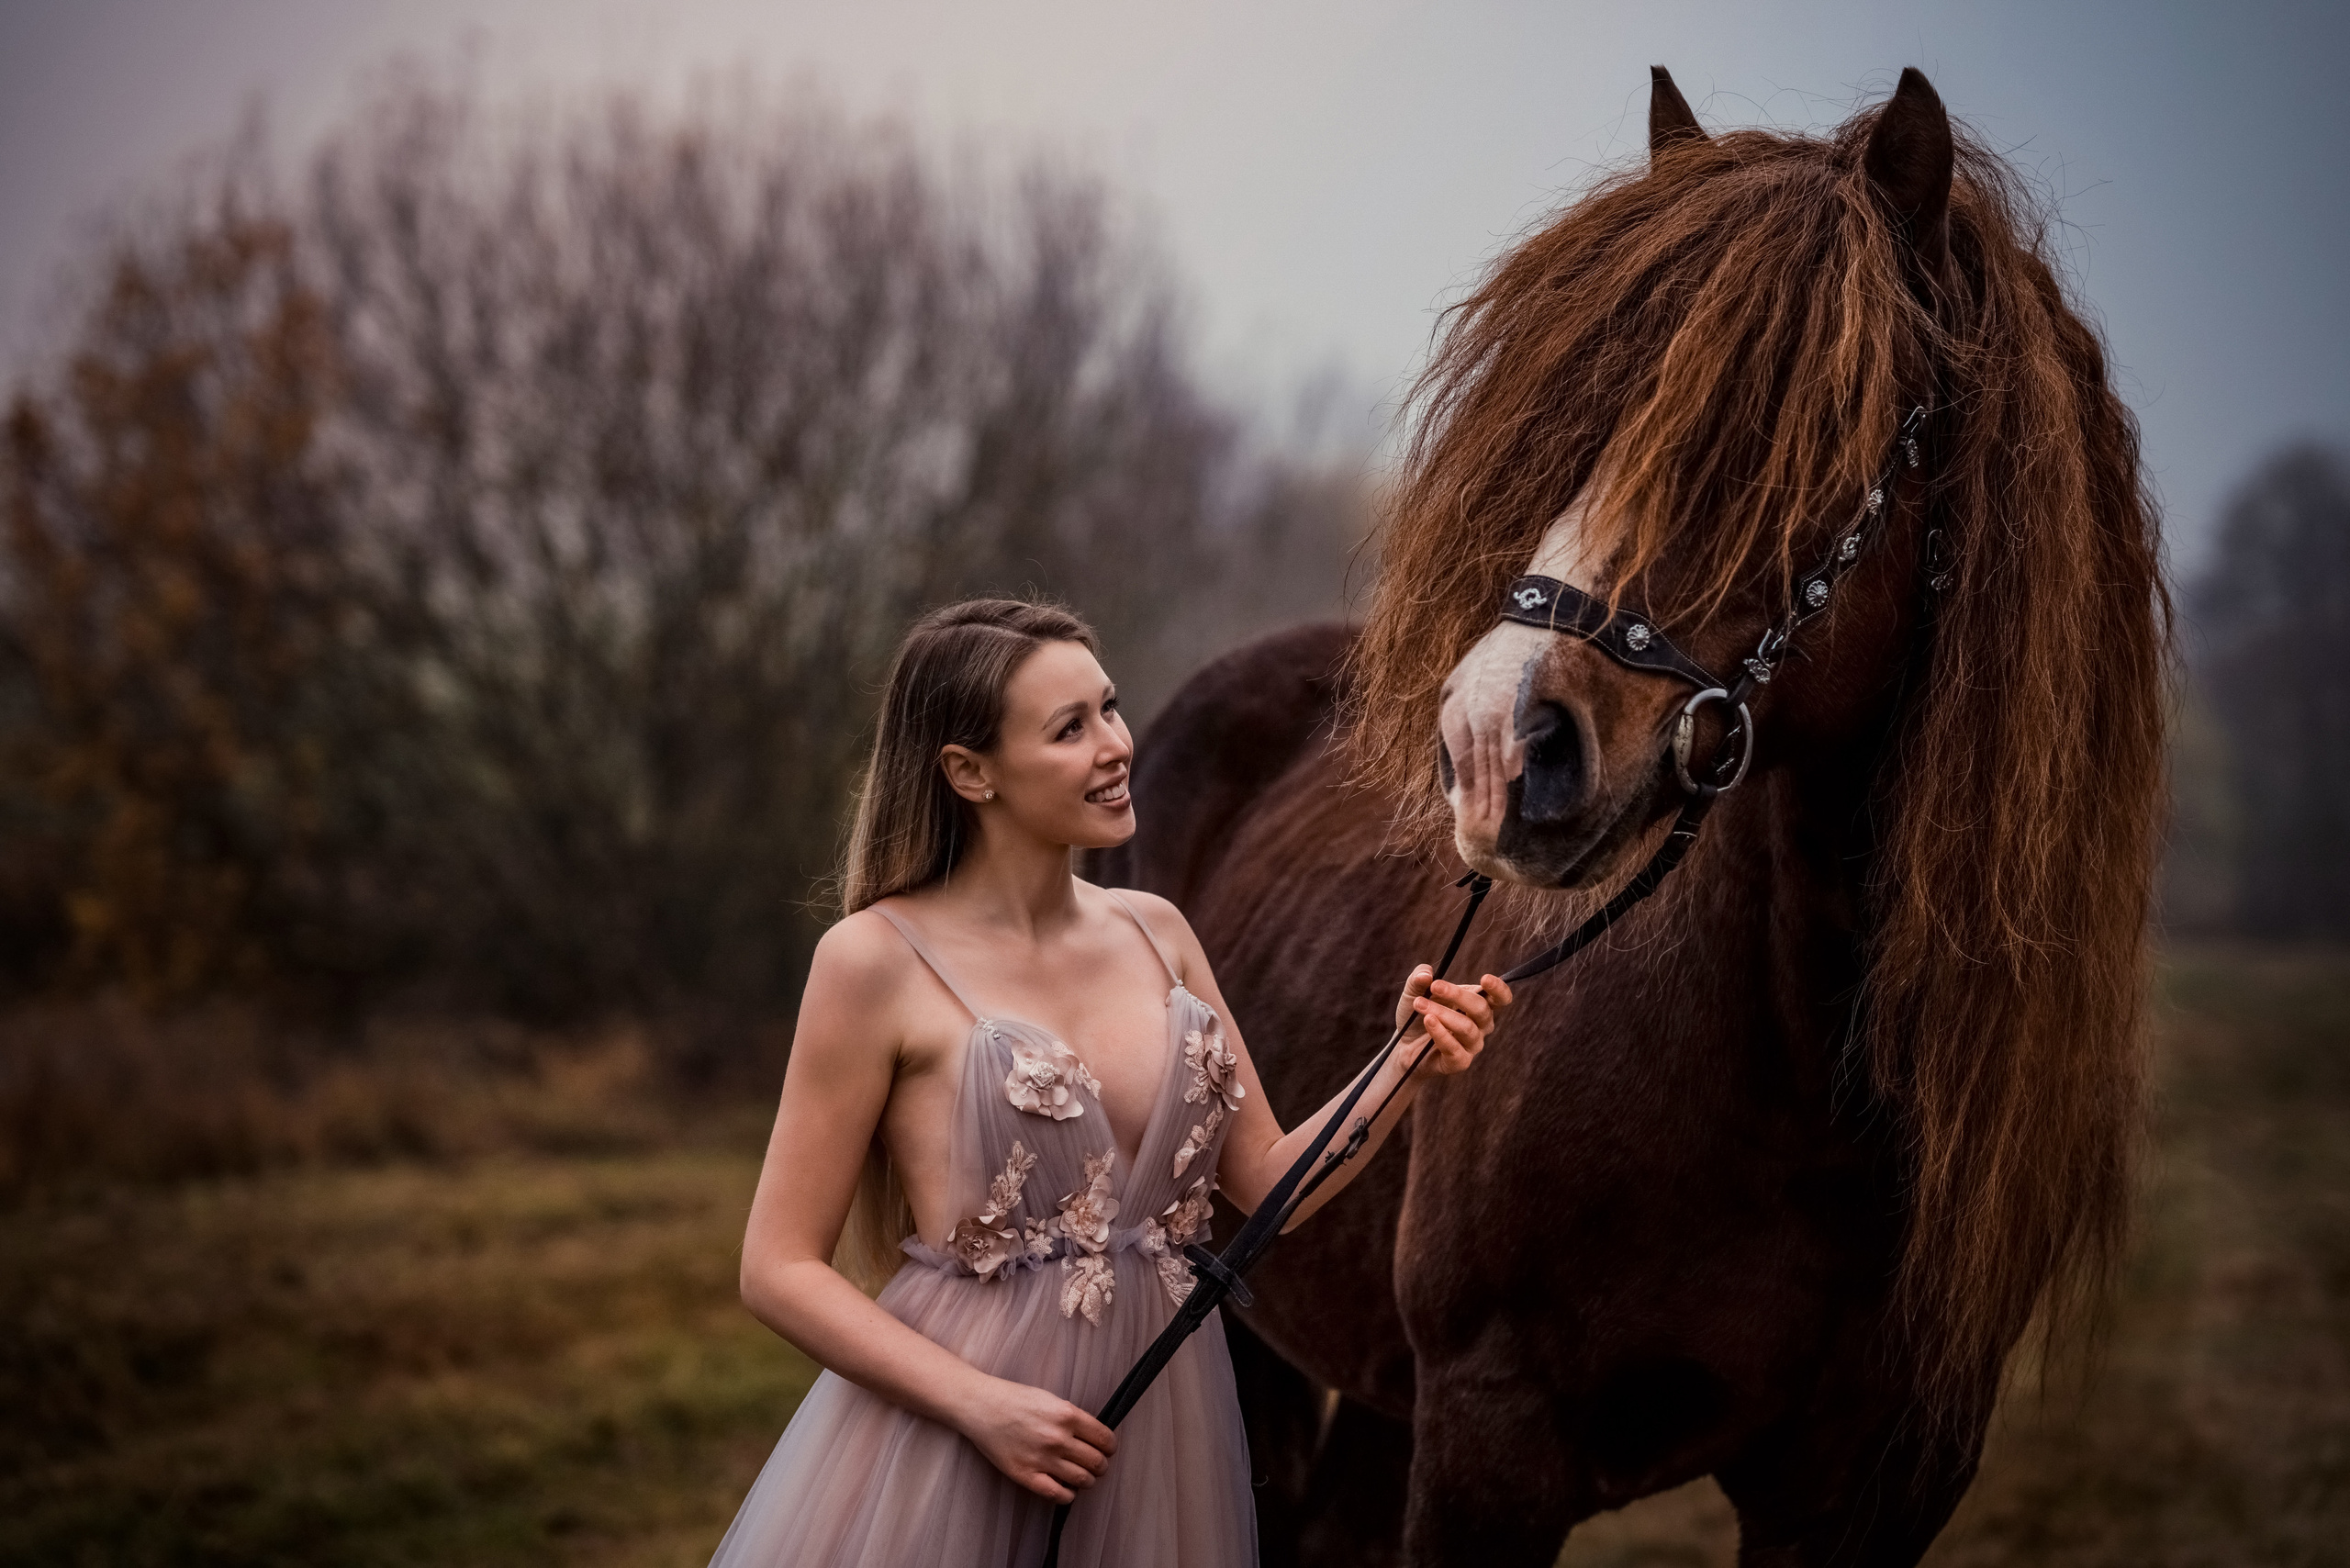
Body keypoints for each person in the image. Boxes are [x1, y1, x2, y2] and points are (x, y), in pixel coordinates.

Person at [709, 599, 1514, 1568]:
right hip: (965, 1423)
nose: (1116, 746)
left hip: (1159, 1426)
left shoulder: (1155, 930)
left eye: (1109, 708)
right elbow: (778, 1266)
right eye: (1069, 728)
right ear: (969, 772)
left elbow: (1266, 1185)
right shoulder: (871, 960)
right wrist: (982, 1407)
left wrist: (1403, 1065)